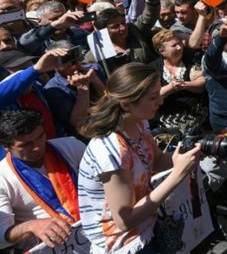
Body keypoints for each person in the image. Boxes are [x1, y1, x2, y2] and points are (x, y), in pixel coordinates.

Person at [77, 63, 202, 254]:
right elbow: (124, 221)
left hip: (147, 229)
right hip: (123, 245)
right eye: (153, 97)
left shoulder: (139, 122)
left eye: (159, 93)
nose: (160, 101)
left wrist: (194, 152)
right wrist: (177, 174)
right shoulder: (111, 151)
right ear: (126, 104)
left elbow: (157, 160)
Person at [0, 109, 87, 251]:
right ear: (6, 147)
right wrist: (30, 226)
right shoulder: (2, 177)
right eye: (25, 145)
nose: (37, 147)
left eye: (40, 137)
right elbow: (1, 238)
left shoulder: (71, 146)